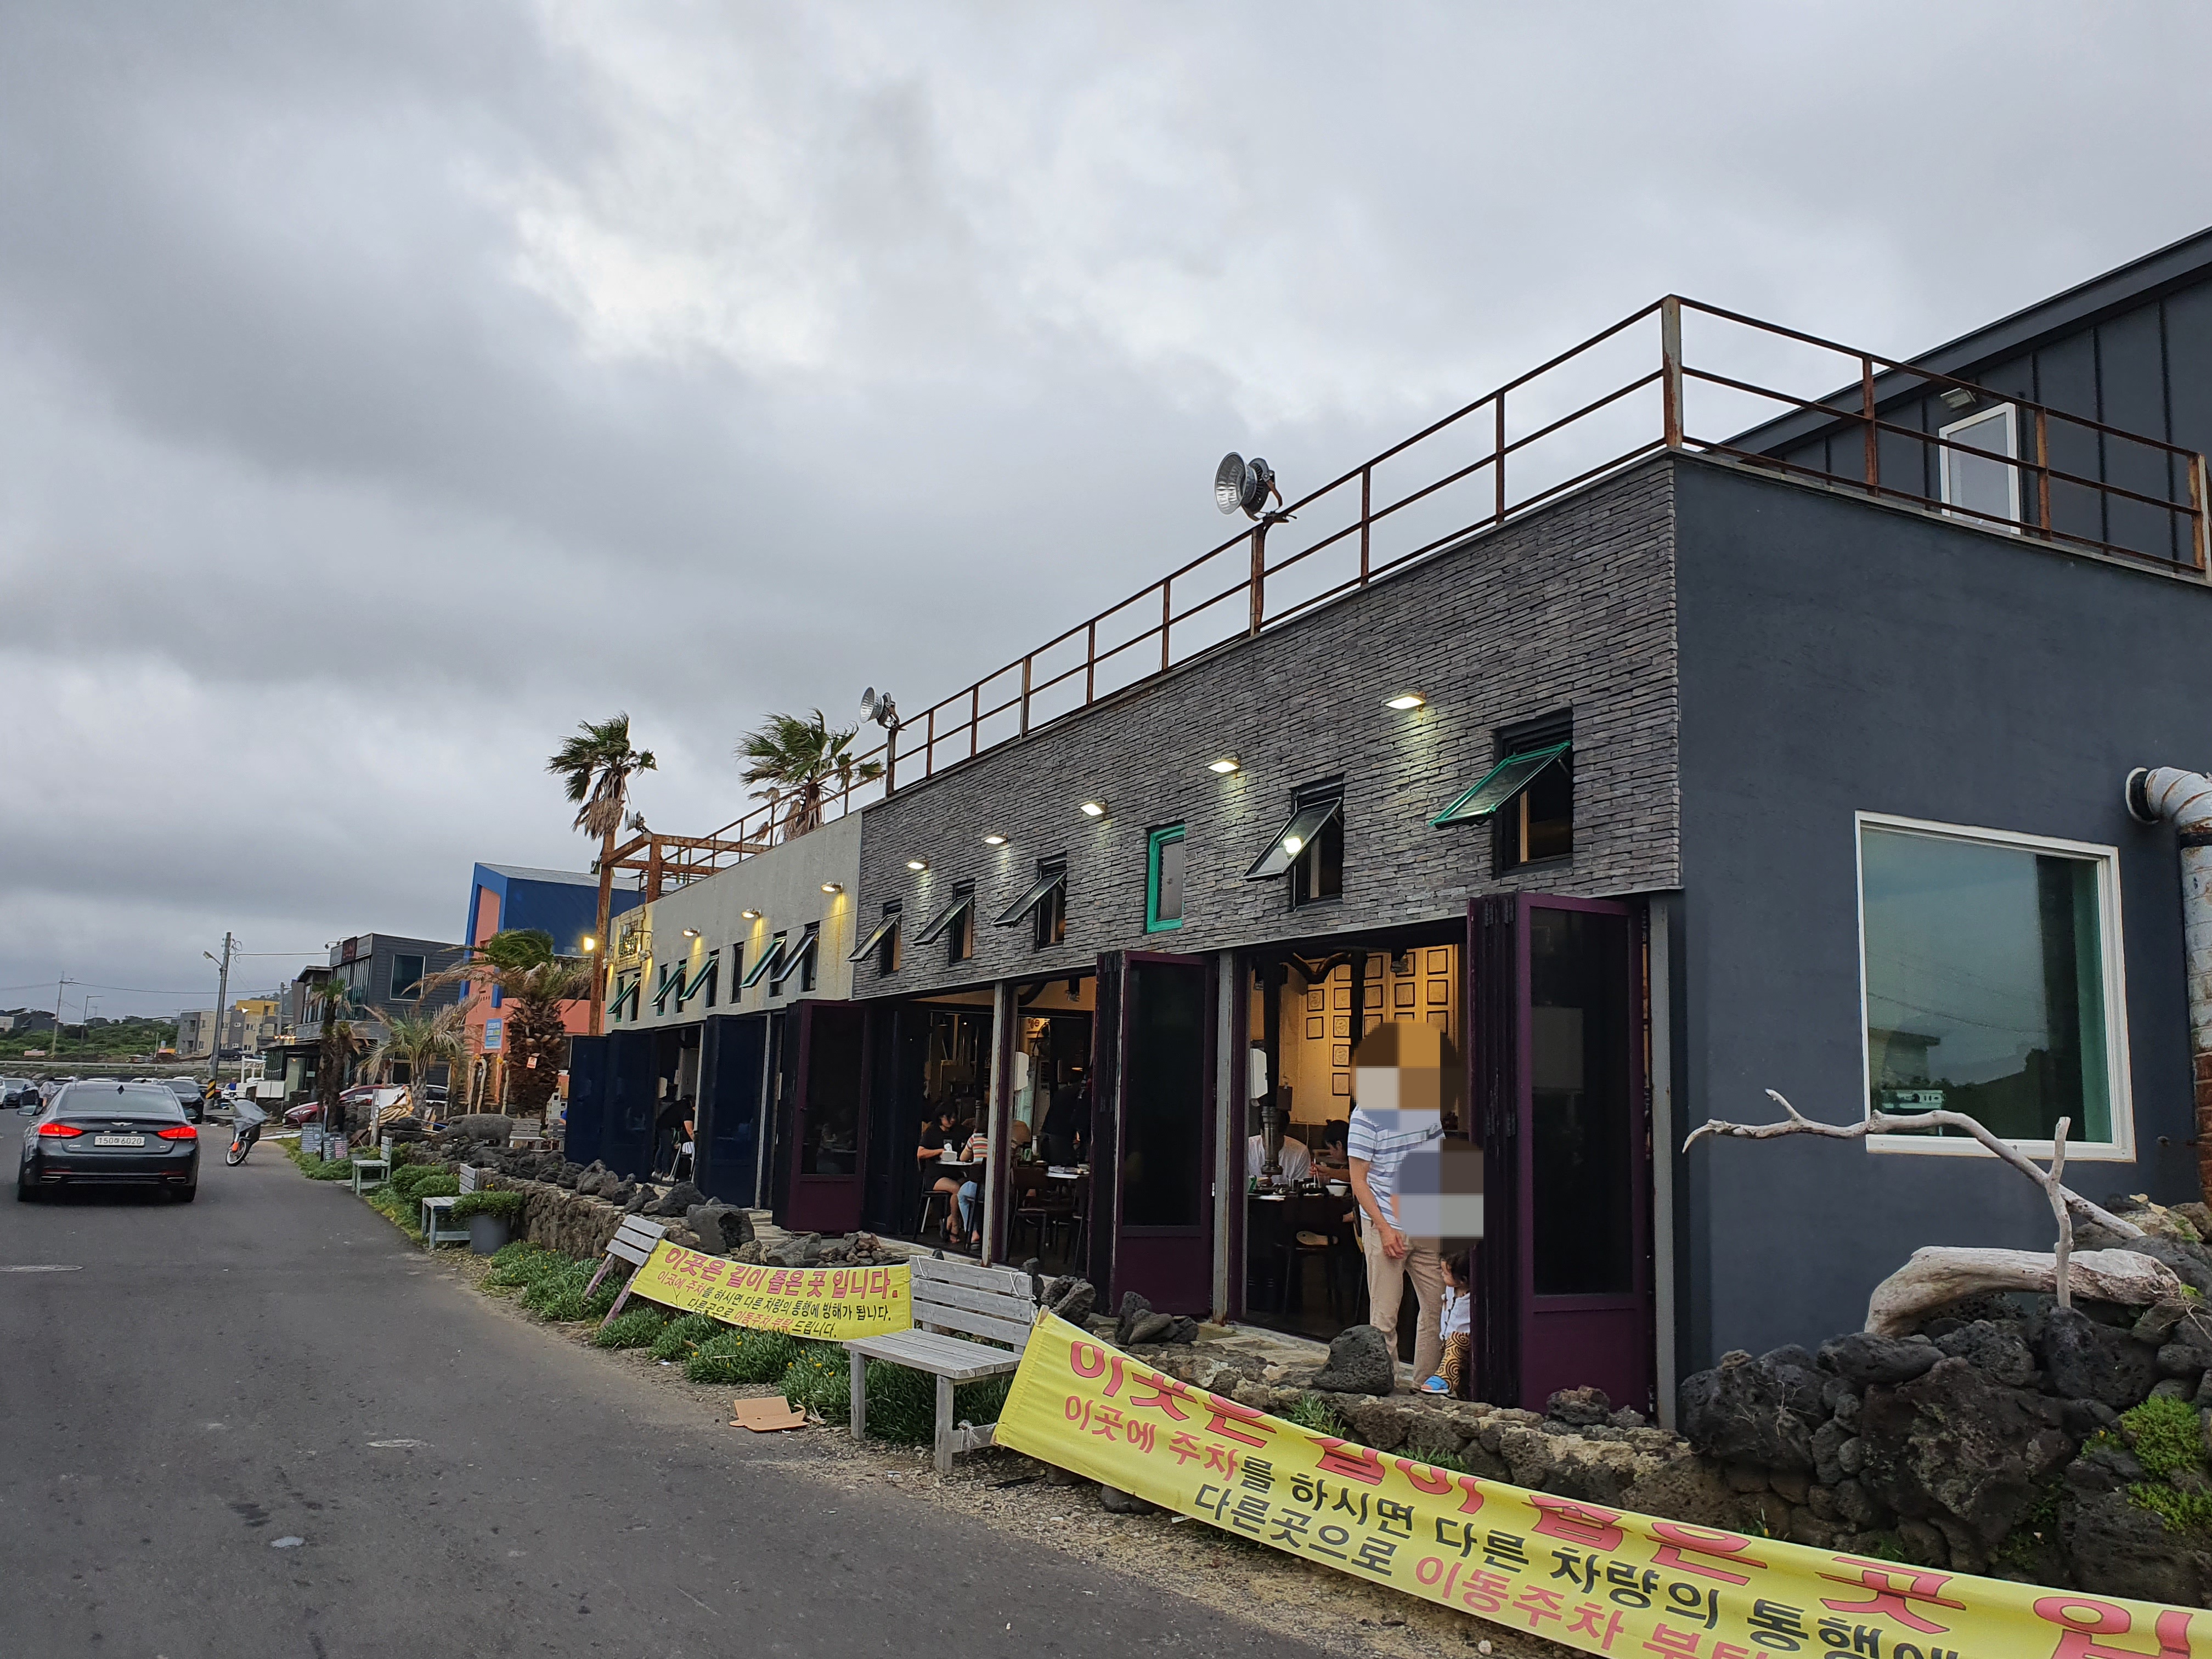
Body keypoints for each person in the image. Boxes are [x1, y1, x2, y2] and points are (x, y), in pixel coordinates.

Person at [1346, 1024, 1449, 1391]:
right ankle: (1384, 1387)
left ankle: (1426, 1384)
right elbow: (1359, 1180)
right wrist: (1385, 1228)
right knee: (1385, 1315)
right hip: (1385, 1223)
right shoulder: (1365, 1116)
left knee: (1437, 1307)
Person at [1423, 1252, 1473, 1395]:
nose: (1442, 1275)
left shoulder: (1472, 1297)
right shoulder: (1450, 1289)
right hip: (1447, 1341)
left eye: (1446, 1274)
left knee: (1456, 1341)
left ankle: (1445, 1378)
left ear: (1463, 1280)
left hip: (1465, 1341)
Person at [917, 1105, 964, 1243]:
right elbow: (920, 1153)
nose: (953, 1120)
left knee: (967, 1186)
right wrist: (939, 1151)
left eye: (955, 1117)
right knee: (957, 1189)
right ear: (940, 1117)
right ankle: (955, 1224)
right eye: (949, 1117)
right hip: (935, 1175)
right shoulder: (932, 1133)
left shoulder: (958, 1132)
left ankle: (949, 1219)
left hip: (954, 1172)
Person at [955, 1124, 990, 1249]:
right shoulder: (1003, 1140)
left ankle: (973, 1232)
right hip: (999, 1191)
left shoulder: (976, 1138)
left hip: (979, 1189)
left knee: (961, 1194)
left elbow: (962, 1158)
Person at [1245, 1130, 1311, 1183]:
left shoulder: (1300, 1151)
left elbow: (1301, 1186)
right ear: (1262, 1132)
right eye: (1268, 1136)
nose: (1271, 1142)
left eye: (1276, 1137)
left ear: (1284, 1132)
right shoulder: (1247, 1147)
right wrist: (1254, 1185)